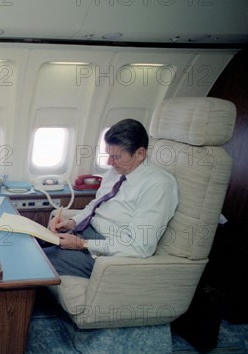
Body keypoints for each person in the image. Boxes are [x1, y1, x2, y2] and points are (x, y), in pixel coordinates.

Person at [43, 118, 178, 278]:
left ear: (140, 154)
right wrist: (73, 222)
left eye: (115, 156)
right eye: (108, 155)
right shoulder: (116, 171)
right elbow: (95, 205)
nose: (109, 162)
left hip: (103, 253)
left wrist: (82, 245)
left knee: (40, 260)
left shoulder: (158, 185)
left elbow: (140, 247)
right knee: (30, 243)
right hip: (83, 233)